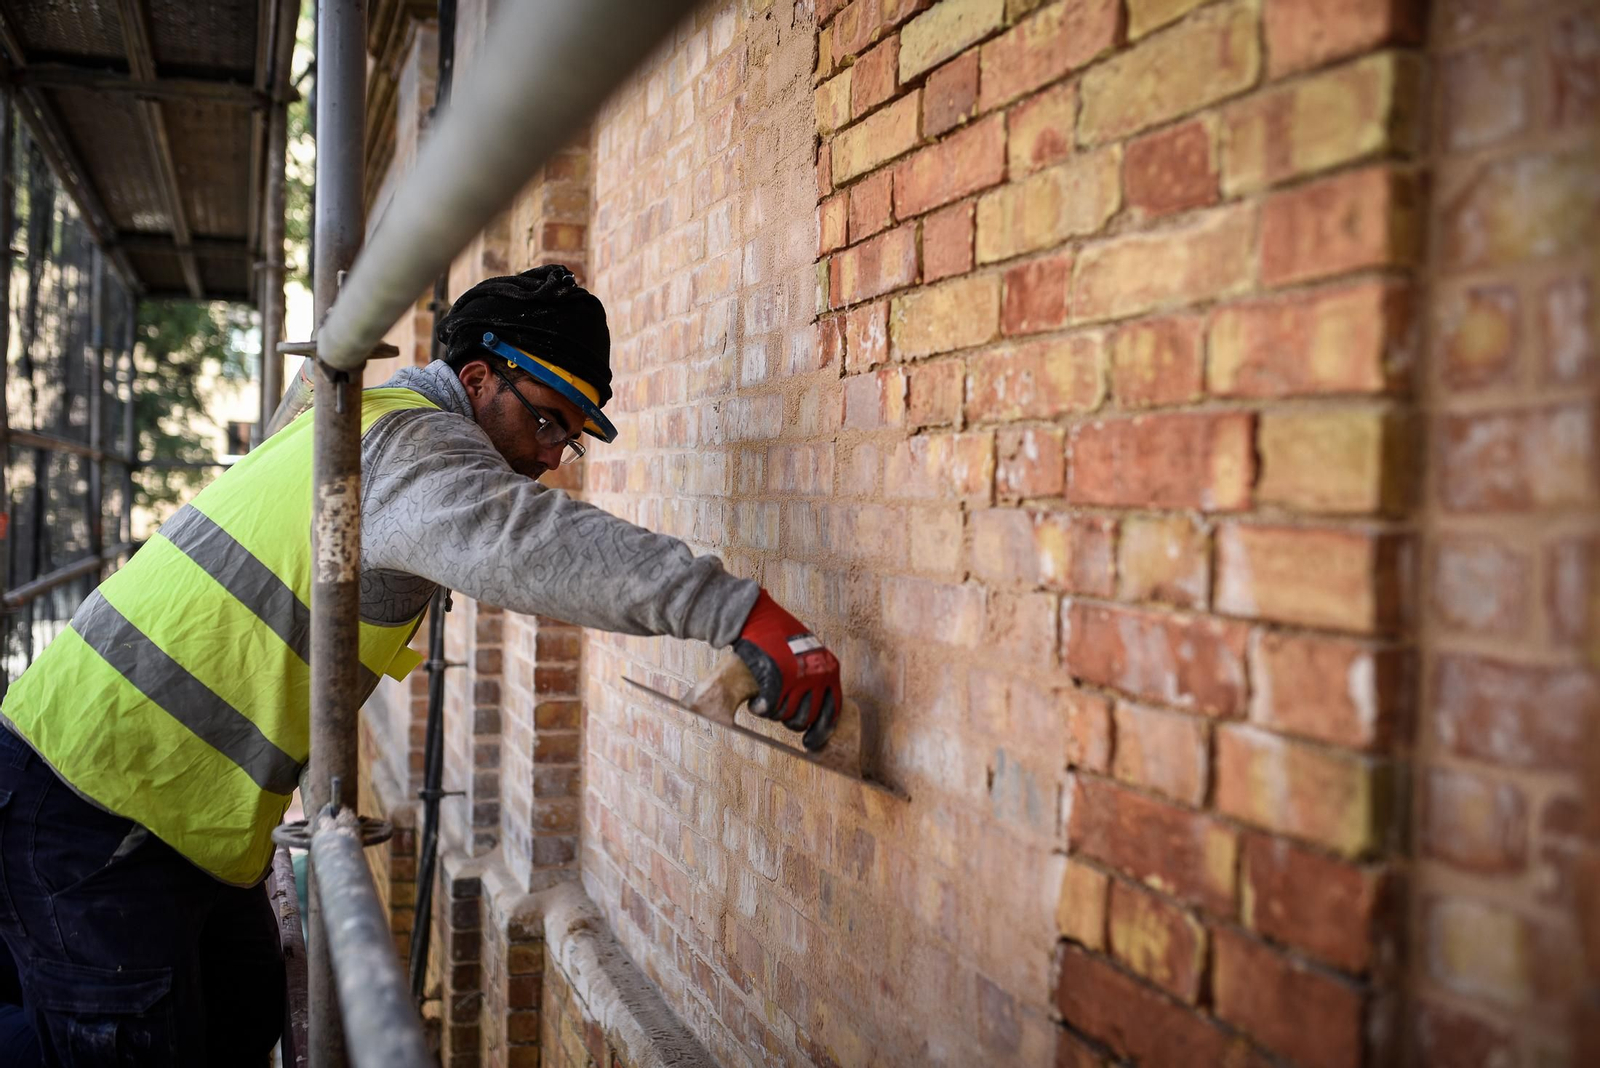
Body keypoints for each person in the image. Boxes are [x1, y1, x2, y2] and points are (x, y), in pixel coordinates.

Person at [0, 264, 841, 1065]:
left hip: (170, 816)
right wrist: (738, 613)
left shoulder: (352, 406)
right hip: (93, 800)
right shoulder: (408, 445)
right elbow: (527, 541)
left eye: (572, 438)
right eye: (547, 419)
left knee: (246, 1014)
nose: (554, 455)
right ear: (476, 380)